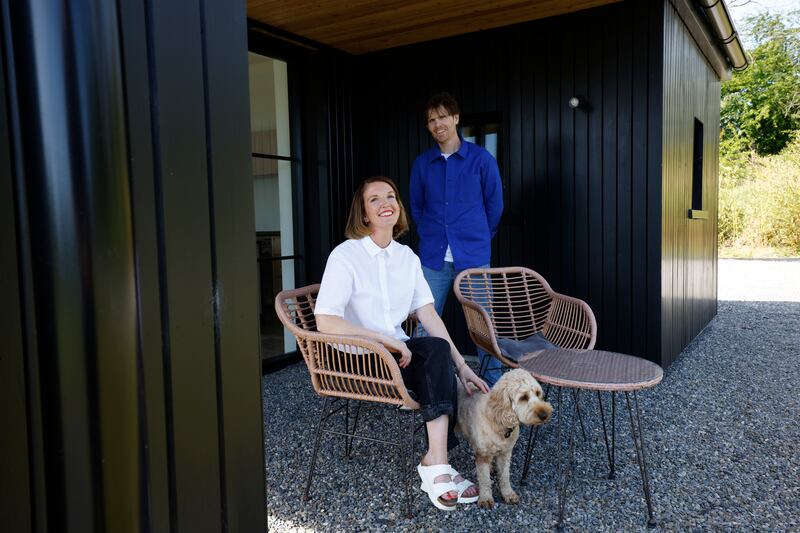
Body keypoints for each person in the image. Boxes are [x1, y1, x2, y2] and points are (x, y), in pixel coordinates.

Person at [314, 176, 489, 511]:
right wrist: (381, 338)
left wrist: (463, 365)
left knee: (437, 350)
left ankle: (435, 460)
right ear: (364, 213)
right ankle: (438, 467)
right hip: (355, 356)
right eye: (375, 199)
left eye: (391, 196)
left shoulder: (406, 257)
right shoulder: (346, 255)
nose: (386, 204)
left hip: (397, 354)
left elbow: (429, 316)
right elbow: (325, 320)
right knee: (431, 364)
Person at [410, 92, 505, 386]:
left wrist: (476, 237)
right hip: (433, 258)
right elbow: (416, 207)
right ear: (428, 127)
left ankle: (493, 386)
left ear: (455, 118)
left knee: (482, 325)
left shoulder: (481, 160)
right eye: (431, 120)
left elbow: (495, 206)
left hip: (473, 258)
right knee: (424, 322)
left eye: (442, 117)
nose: (438, 124)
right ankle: (419, 384)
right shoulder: (423, 164)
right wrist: (430, 234)